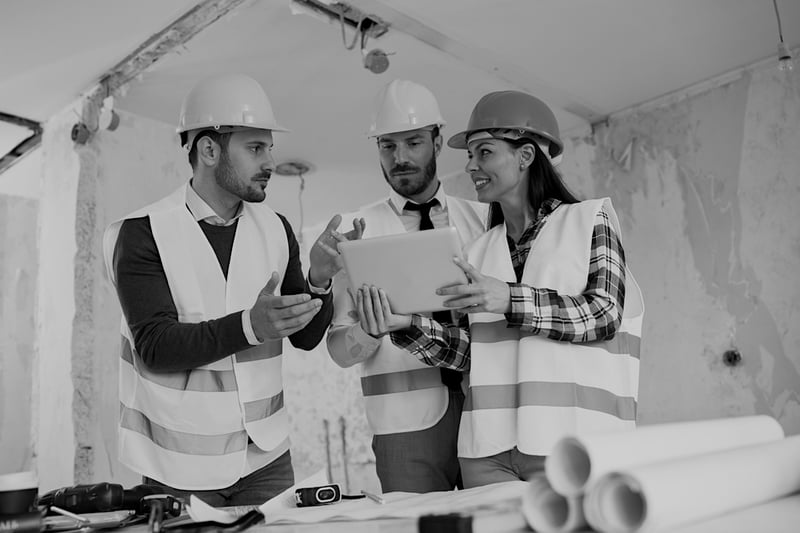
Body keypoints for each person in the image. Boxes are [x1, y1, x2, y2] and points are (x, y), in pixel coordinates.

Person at [357, 90, 644, 488]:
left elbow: (603, 315)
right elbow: (474, 353)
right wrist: (403, 325)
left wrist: (509, 298)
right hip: (487, 452)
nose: (471, 166)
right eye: (470, 155)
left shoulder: (589, 221)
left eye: (484, 152)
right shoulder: (478, 250)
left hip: (572, 443)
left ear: (525, 156)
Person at [102, 73, 363, 506]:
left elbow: (305, 337)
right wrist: (249, 325)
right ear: (209, 149)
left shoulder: (276, 228)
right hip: (178, 463)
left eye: (269, 149)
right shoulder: (142, 234)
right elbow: (155, 345)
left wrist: (319, 279)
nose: (270, 162)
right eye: (255, 148)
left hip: (266, 457)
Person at [326, 79, 488, 493]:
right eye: (388, 146)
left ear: (437, 141)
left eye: (413, 142)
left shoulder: (486, 221)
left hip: (487, 414)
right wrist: (368, 330)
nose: (400, 158)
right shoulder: (354, 232)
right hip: (403, 428)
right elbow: (340, 350)